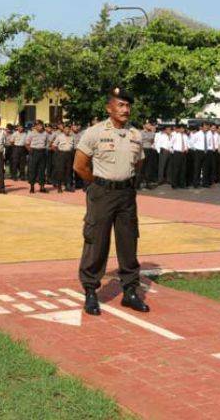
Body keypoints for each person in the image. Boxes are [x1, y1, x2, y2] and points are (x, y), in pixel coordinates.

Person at [73, 87, 149, 316]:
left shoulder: (135, 134)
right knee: (96, 242)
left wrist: (126, 183)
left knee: (128, 243)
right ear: (109, 108)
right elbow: (79, 165)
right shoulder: (94, 132)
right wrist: (98, 184)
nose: (126, 110)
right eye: (121, 105)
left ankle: (130, 292)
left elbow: (138, 164)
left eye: (128, 105)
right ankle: (90, 291)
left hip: (126, 194)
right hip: (102, 194)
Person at [51, 121, 75, 193]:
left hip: (69, 154)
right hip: (61, 154)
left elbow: (72, 147)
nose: (67, 130)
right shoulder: (59, 136)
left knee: (69, 171)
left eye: (68, 129)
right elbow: (53, 146)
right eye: (66, 129)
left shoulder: (72, 137)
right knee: (60, 171)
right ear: (63, 130)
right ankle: (59, 187)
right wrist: (58, 153)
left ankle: (68, 186)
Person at [26, 119, 49, 193]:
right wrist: (31, 151)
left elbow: (46, 143)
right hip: (34, 152)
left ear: (42, 125)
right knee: (33, 170)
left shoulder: (45, 133)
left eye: (40, 125)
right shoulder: (31, 133)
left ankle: (42, 187)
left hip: (42, 152)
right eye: (37, 125)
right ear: (35, 126)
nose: (39, 127)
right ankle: (32, 187)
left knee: (42, 170)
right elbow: (26, 144)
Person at [189, 122, 210, 188]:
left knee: (206, 169)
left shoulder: (209, 134)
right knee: (197, 168)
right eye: (205, 126)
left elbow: (209, 143)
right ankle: (196, 183)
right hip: (198, 152)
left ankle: (205, 183)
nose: (206, 127)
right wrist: (196, 149)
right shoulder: (197, 134)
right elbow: (191, 143)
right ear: (201, 127)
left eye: (207, 126)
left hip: (206, 152)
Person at [138, 120, 157, 189]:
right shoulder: (141, 132)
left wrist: (151, 133)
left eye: (150, 124)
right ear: (144, 126)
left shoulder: (152, 133)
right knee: (142, 167)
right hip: (143, 149)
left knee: (149, 167)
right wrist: (149, 137)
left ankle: (147, 183)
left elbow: (152, 140)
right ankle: (138, 183)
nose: (149, 126)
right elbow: (141, 140)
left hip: (149, 149)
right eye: (148, 124)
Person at [169, 124, 189, 189]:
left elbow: (187, 144)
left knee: (183, 169)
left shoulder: (185, 136)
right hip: (177, 153)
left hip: (184, 153)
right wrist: (173, 151)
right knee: (176, 169)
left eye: (184, 129)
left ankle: (182, 184)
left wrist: (186, 148)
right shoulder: (175, 135)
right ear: (179, 129)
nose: (183, 130)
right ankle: (174, 184)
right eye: (181, 128)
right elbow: (170, 144)